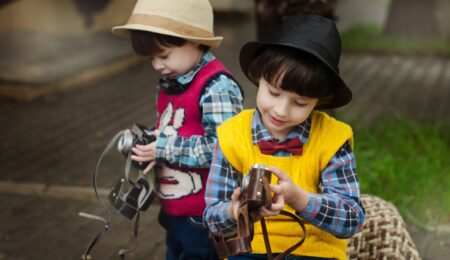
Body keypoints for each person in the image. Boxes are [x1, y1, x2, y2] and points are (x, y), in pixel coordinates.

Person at [204, 13, 365, 260]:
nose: (281, 110)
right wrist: (236, 211)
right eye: (274, 92)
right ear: (259, 77)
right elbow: (212, 220)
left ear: (318, 101)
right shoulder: (232, 135)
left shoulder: (333, 138)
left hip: (315, 252)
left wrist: (298, 198)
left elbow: (351, 220)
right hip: (250, 250)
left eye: (300, 102)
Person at [111, 0, 244, 259]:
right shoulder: (173, 82)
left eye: (163, 55)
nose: (157, 65)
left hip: (204, 215)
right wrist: (146, 142)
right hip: (175, 210)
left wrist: (162, 149)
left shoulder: (216, 87)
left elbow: (225, 149)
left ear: (193, 40)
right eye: (151, 58)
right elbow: (175, 130)